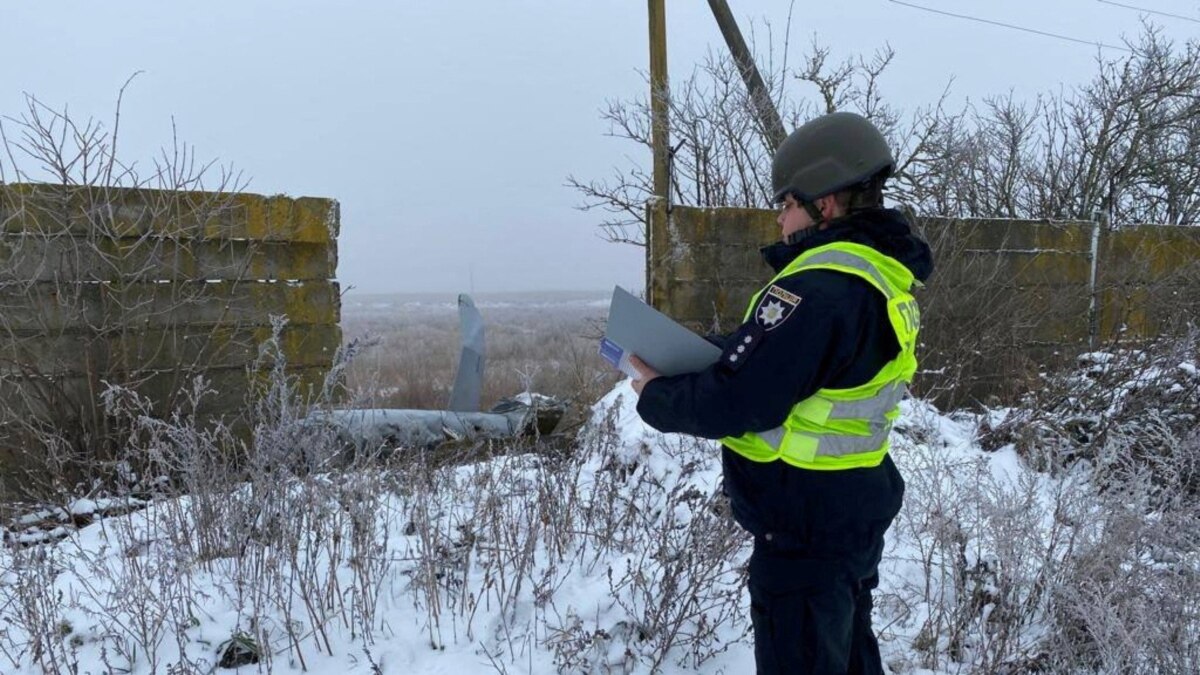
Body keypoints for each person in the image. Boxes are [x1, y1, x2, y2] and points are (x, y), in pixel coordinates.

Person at [629, 111, 933, 674]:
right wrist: (712, 347)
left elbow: (740, 402)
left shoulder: (819, 288)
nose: (779, 218)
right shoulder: (874, 275)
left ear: (826, 202)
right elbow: (784, 359)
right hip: (845, 513)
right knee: (847, 657)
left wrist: (654, 393)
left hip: (806, 532)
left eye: (787, 203)